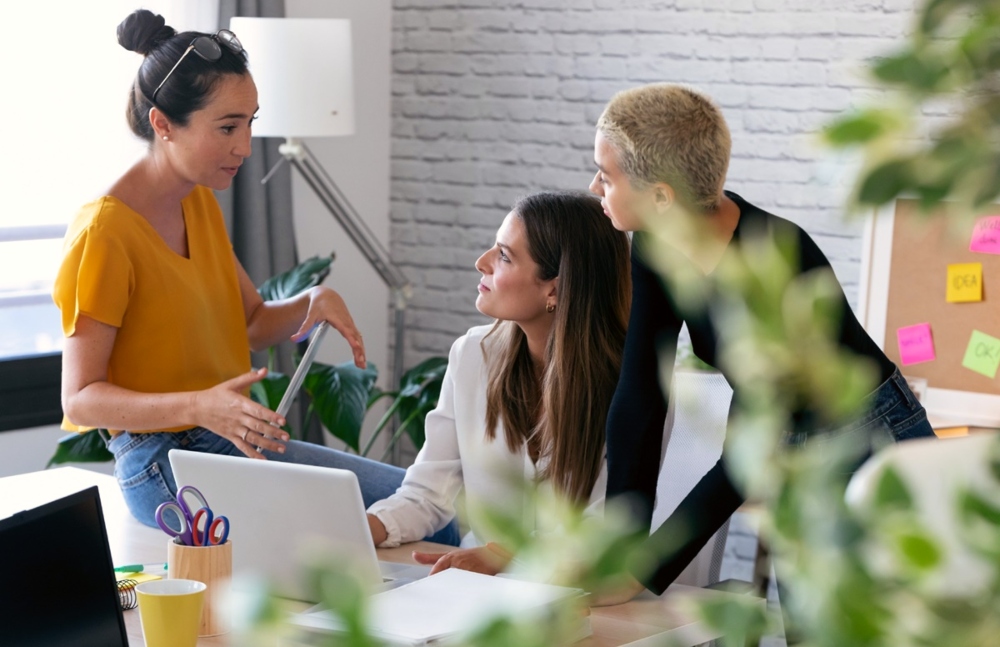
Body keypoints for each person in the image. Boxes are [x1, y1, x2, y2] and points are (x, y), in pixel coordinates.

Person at [54, 10, 454, 546]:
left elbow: (250, 322)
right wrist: (198, 405)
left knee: (428, 513)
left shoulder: (196, 201)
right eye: (226, 127)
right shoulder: (105, 233)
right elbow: (79, 398)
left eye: (250, 123)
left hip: (230, 439)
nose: (244, 146)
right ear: (163, 124)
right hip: (161, 462)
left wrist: (314, 299)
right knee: (382, 531)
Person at [587, 83, 936, 604]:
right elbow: (640, 394)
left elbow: (746, 457)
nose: (595, 187)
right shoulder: (655, 242)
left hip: (871, 442)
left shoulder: (775, 265)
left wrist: (644, 572)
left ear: (661, 196)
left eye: (606, 175)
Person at [365, 191, 631, 575]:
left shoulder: (627, 387)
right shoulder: (472, 355)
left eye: (504, 256)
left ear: (554, 289)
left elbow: (607, 531)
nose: (481, 262)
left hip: (581, 597)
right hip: (474, 587)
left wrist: (508, 558)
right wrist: (362, 529)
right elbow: (428, 493)